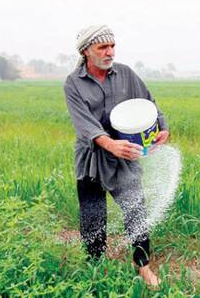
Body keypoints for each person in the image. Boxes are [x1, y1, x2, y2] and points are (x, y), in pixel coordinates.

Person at [63, 24, 169, 287]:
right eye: (102, 47)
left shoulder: (126, 74)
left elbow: (149, 104)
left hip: (125, 156)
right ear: (87, 51)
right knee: (92, 216)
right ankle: (96, 268)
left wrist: (162, 129)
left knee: (136, 211)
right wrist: (110, 144)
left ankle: (142, 265)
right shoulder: (73, 84)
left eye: (112, 46)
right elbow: (84, 124)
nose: (110, 52)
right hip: (92, 157)